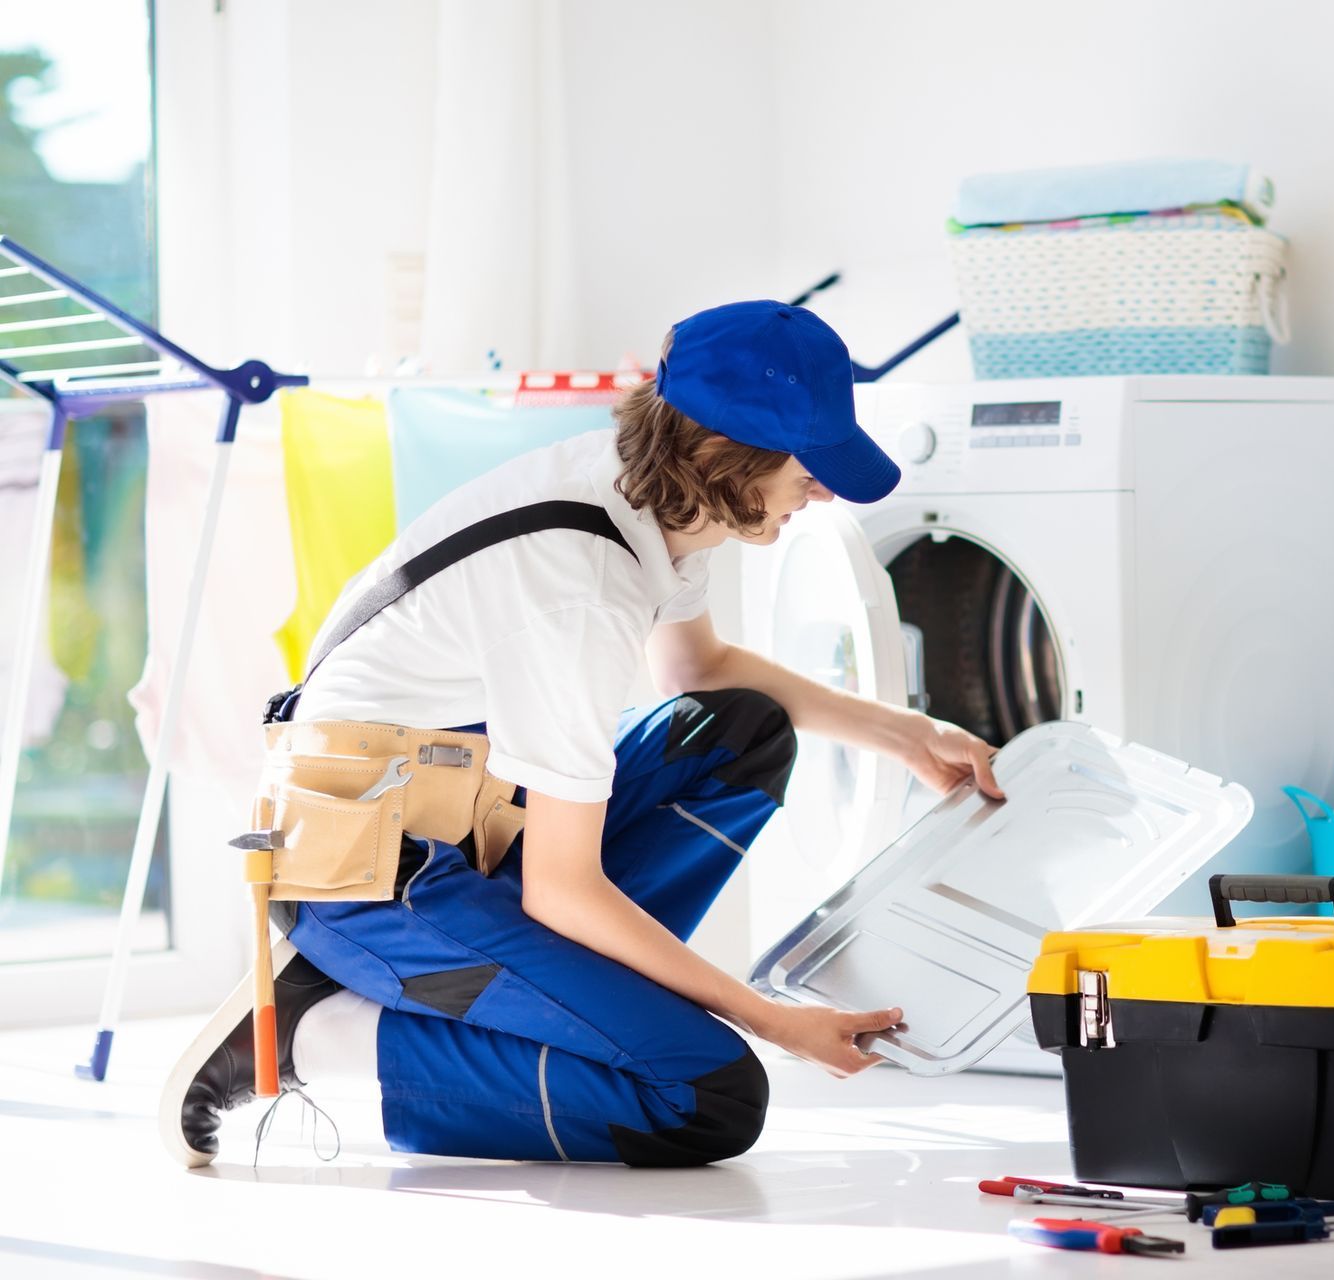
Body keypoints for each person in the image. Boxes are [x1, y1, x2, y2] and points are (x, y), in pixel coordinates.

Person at [160, 301, 1002, 1168]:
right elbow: (561, 890)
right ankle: (320, 1035)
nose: (821, 490)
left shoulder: (653, 497)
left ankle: (562, 1002)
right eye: (810, 466)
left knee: (738, 732)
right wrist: (770, 1019)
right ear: (724, 458)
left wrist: (904, 733)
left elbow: (700, 671)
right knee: (707, 1098)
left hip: (464, 816)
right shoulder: (579, 587)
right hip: (368, 877)